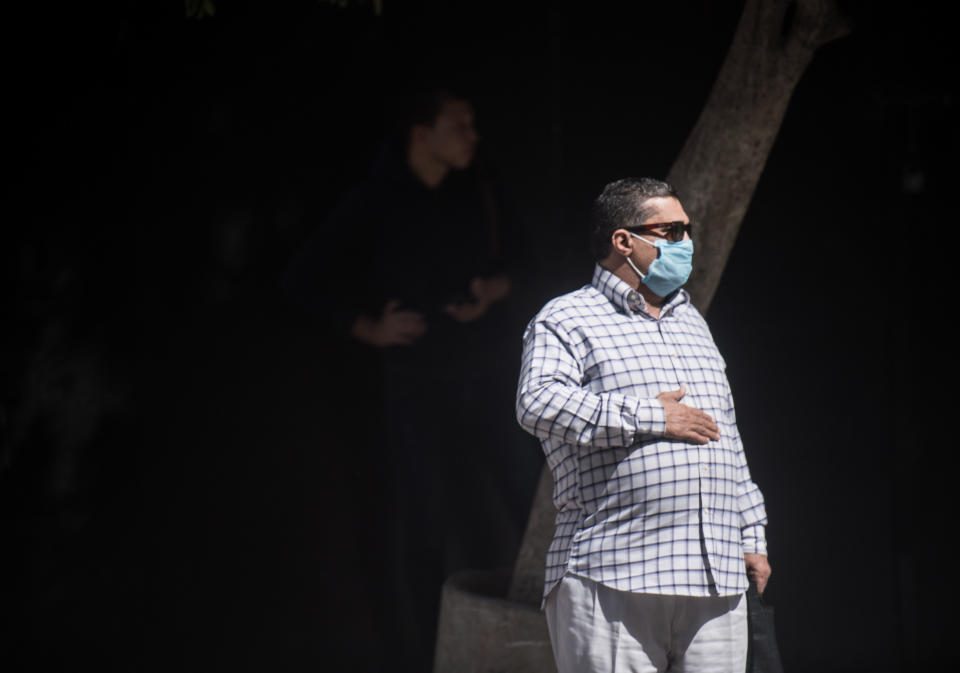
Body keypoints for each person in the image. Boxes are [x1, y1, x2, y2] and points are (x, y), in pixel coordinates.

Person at [283, 87, 520, 672]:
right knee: (425, 522)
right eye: (459, 125)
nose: (472, 136)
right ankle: (426, 656)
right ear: (422, 134)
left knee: (516, 498)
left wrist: (492, 292)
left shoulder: (477, 190)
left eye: (473, 124)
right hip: (418, 381)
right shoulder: (379, 198)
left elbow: (523, 264)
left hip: (484, 373)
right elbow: (303, 277)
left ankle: (532, 643)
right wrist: (366, 327)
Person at [515, 177, 771, 672]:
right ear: (623, 240)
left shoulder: (690, 321)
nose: (686, 244)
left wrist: (751, 535)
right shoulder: (567, 317)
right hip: (613, 572)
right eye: (672, 231)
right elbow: (537, 402)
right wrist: (652, 415)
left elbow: (727, 435)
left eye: (688, 231)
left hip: (714, 574)